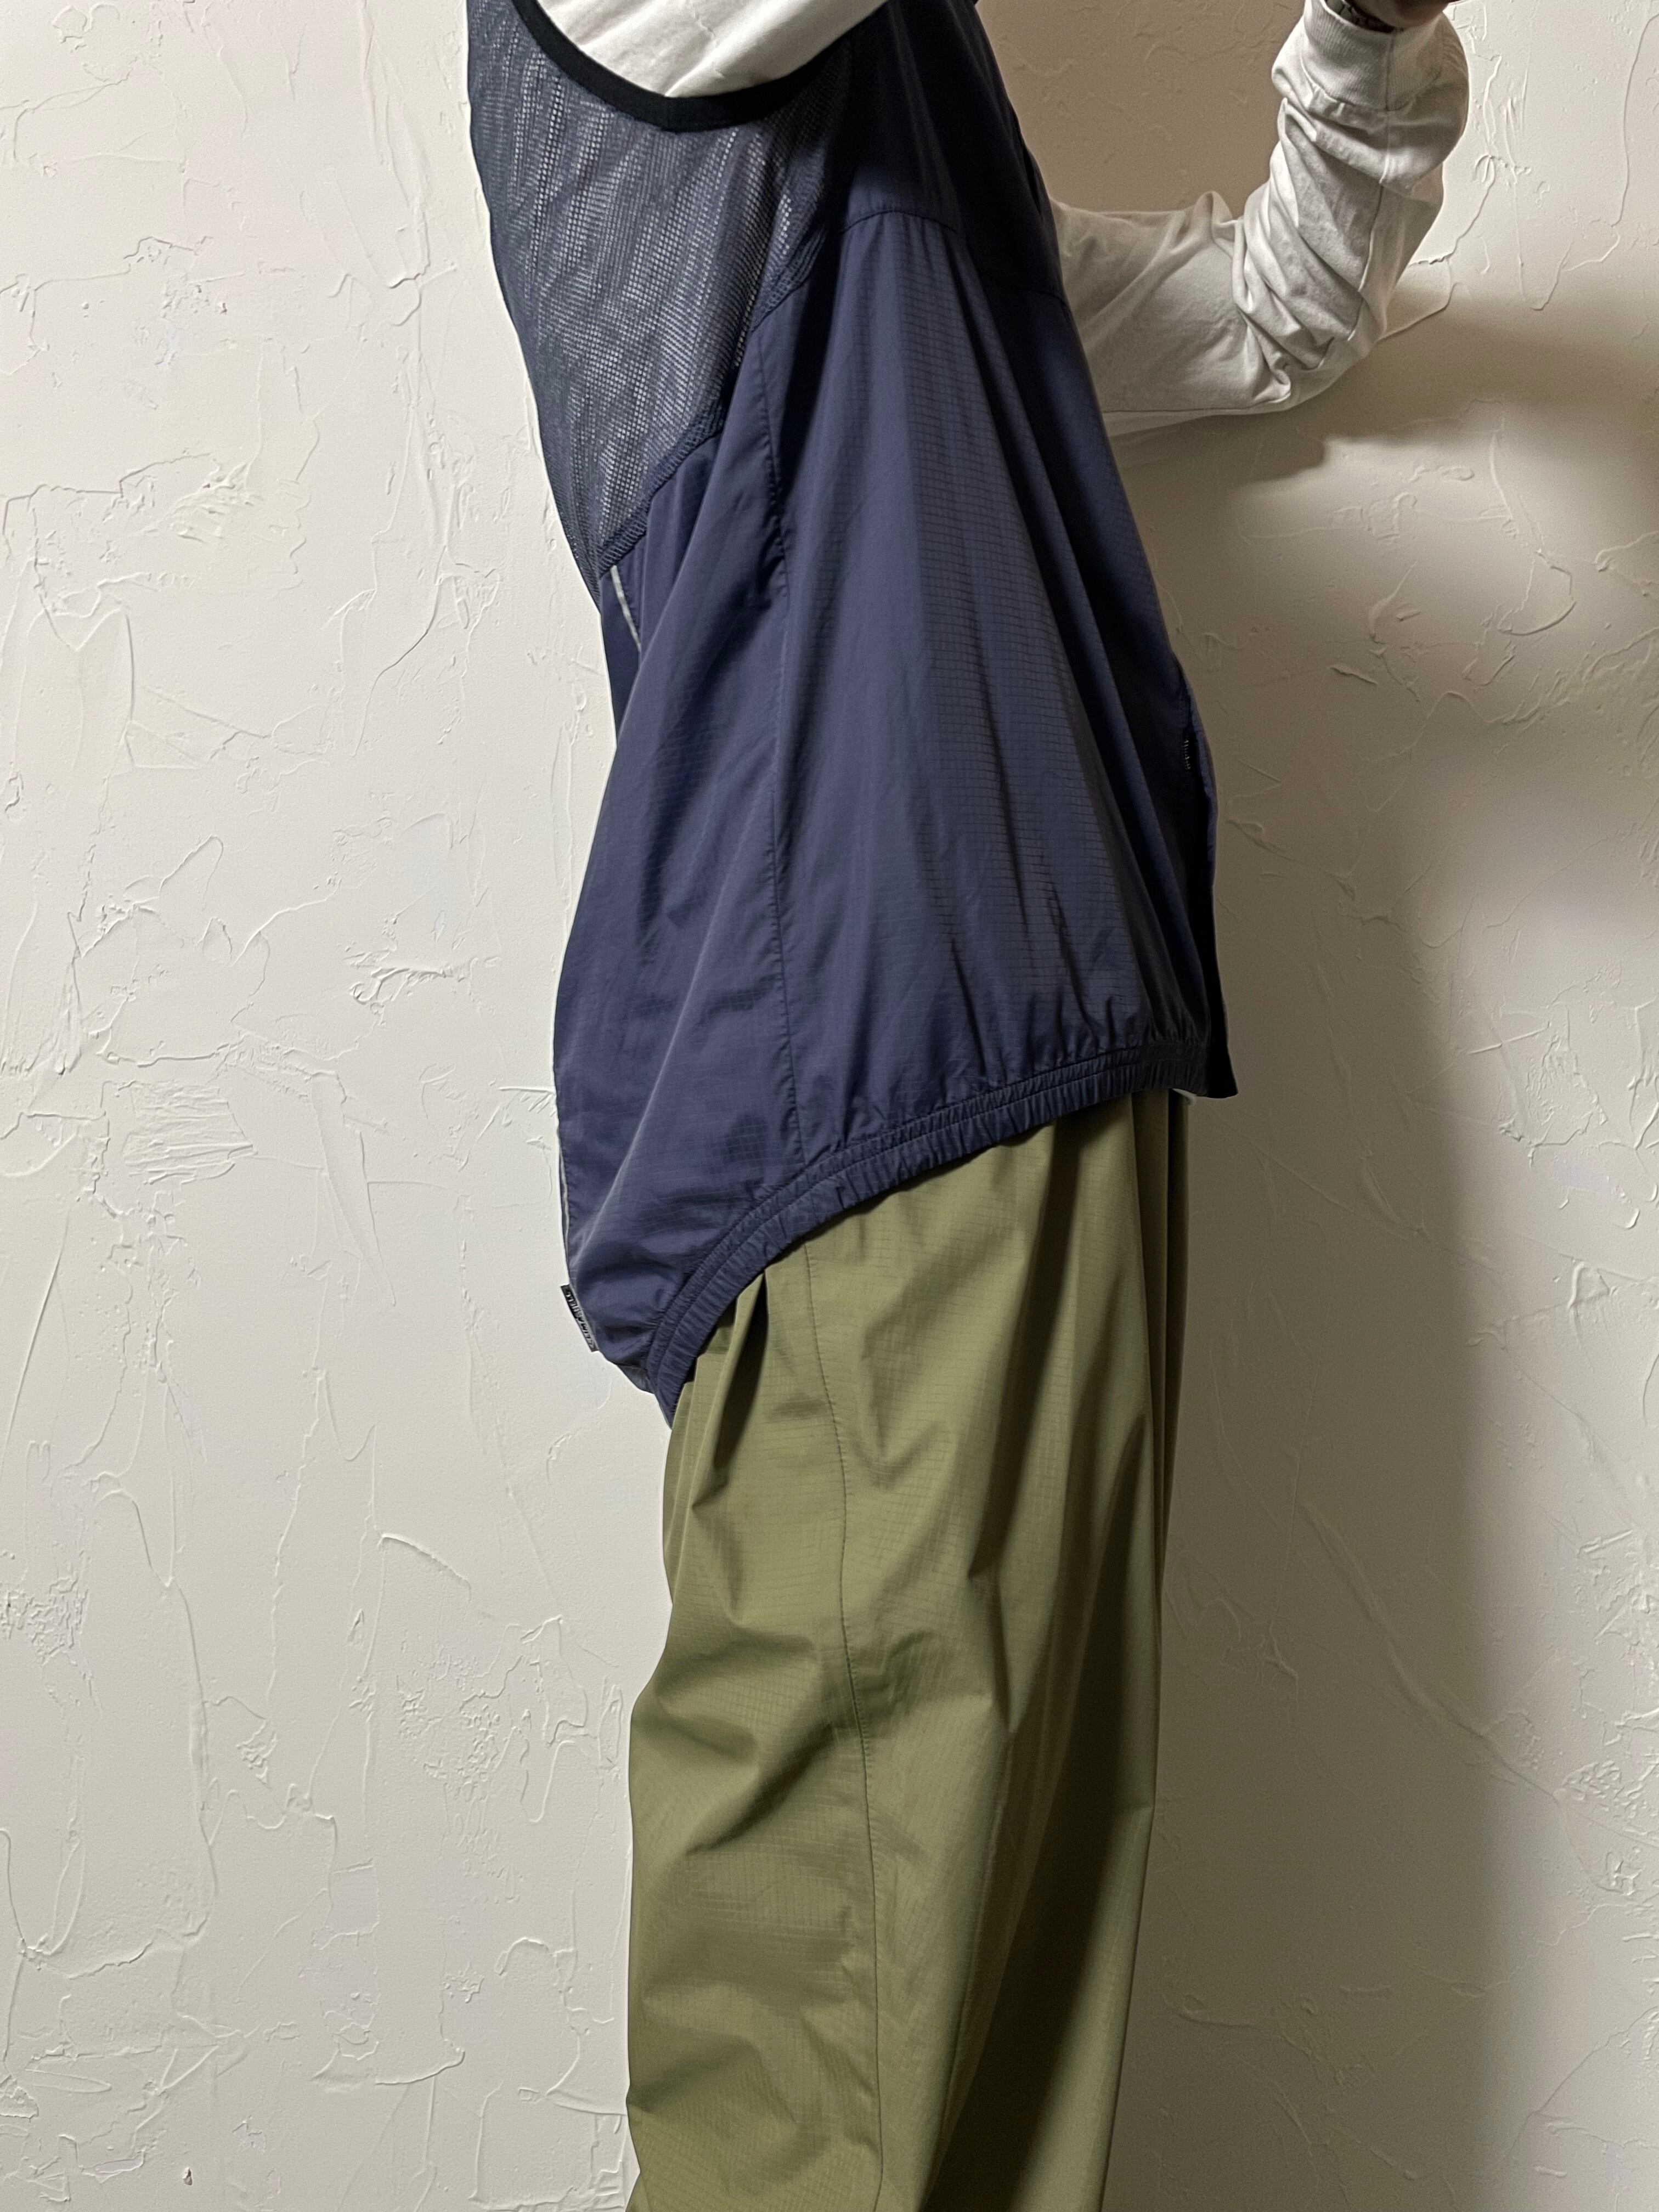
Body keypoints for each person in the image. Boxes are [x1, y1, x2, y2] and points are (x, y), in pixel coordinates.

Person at [465, 0, 1469, 2204]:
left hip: (1043, 1078)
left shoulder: (916, 180)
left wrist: (1368, 35)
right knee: (823, 2113)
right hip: (868, 1099)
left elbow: (1282, 312)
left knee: (989, 2113)